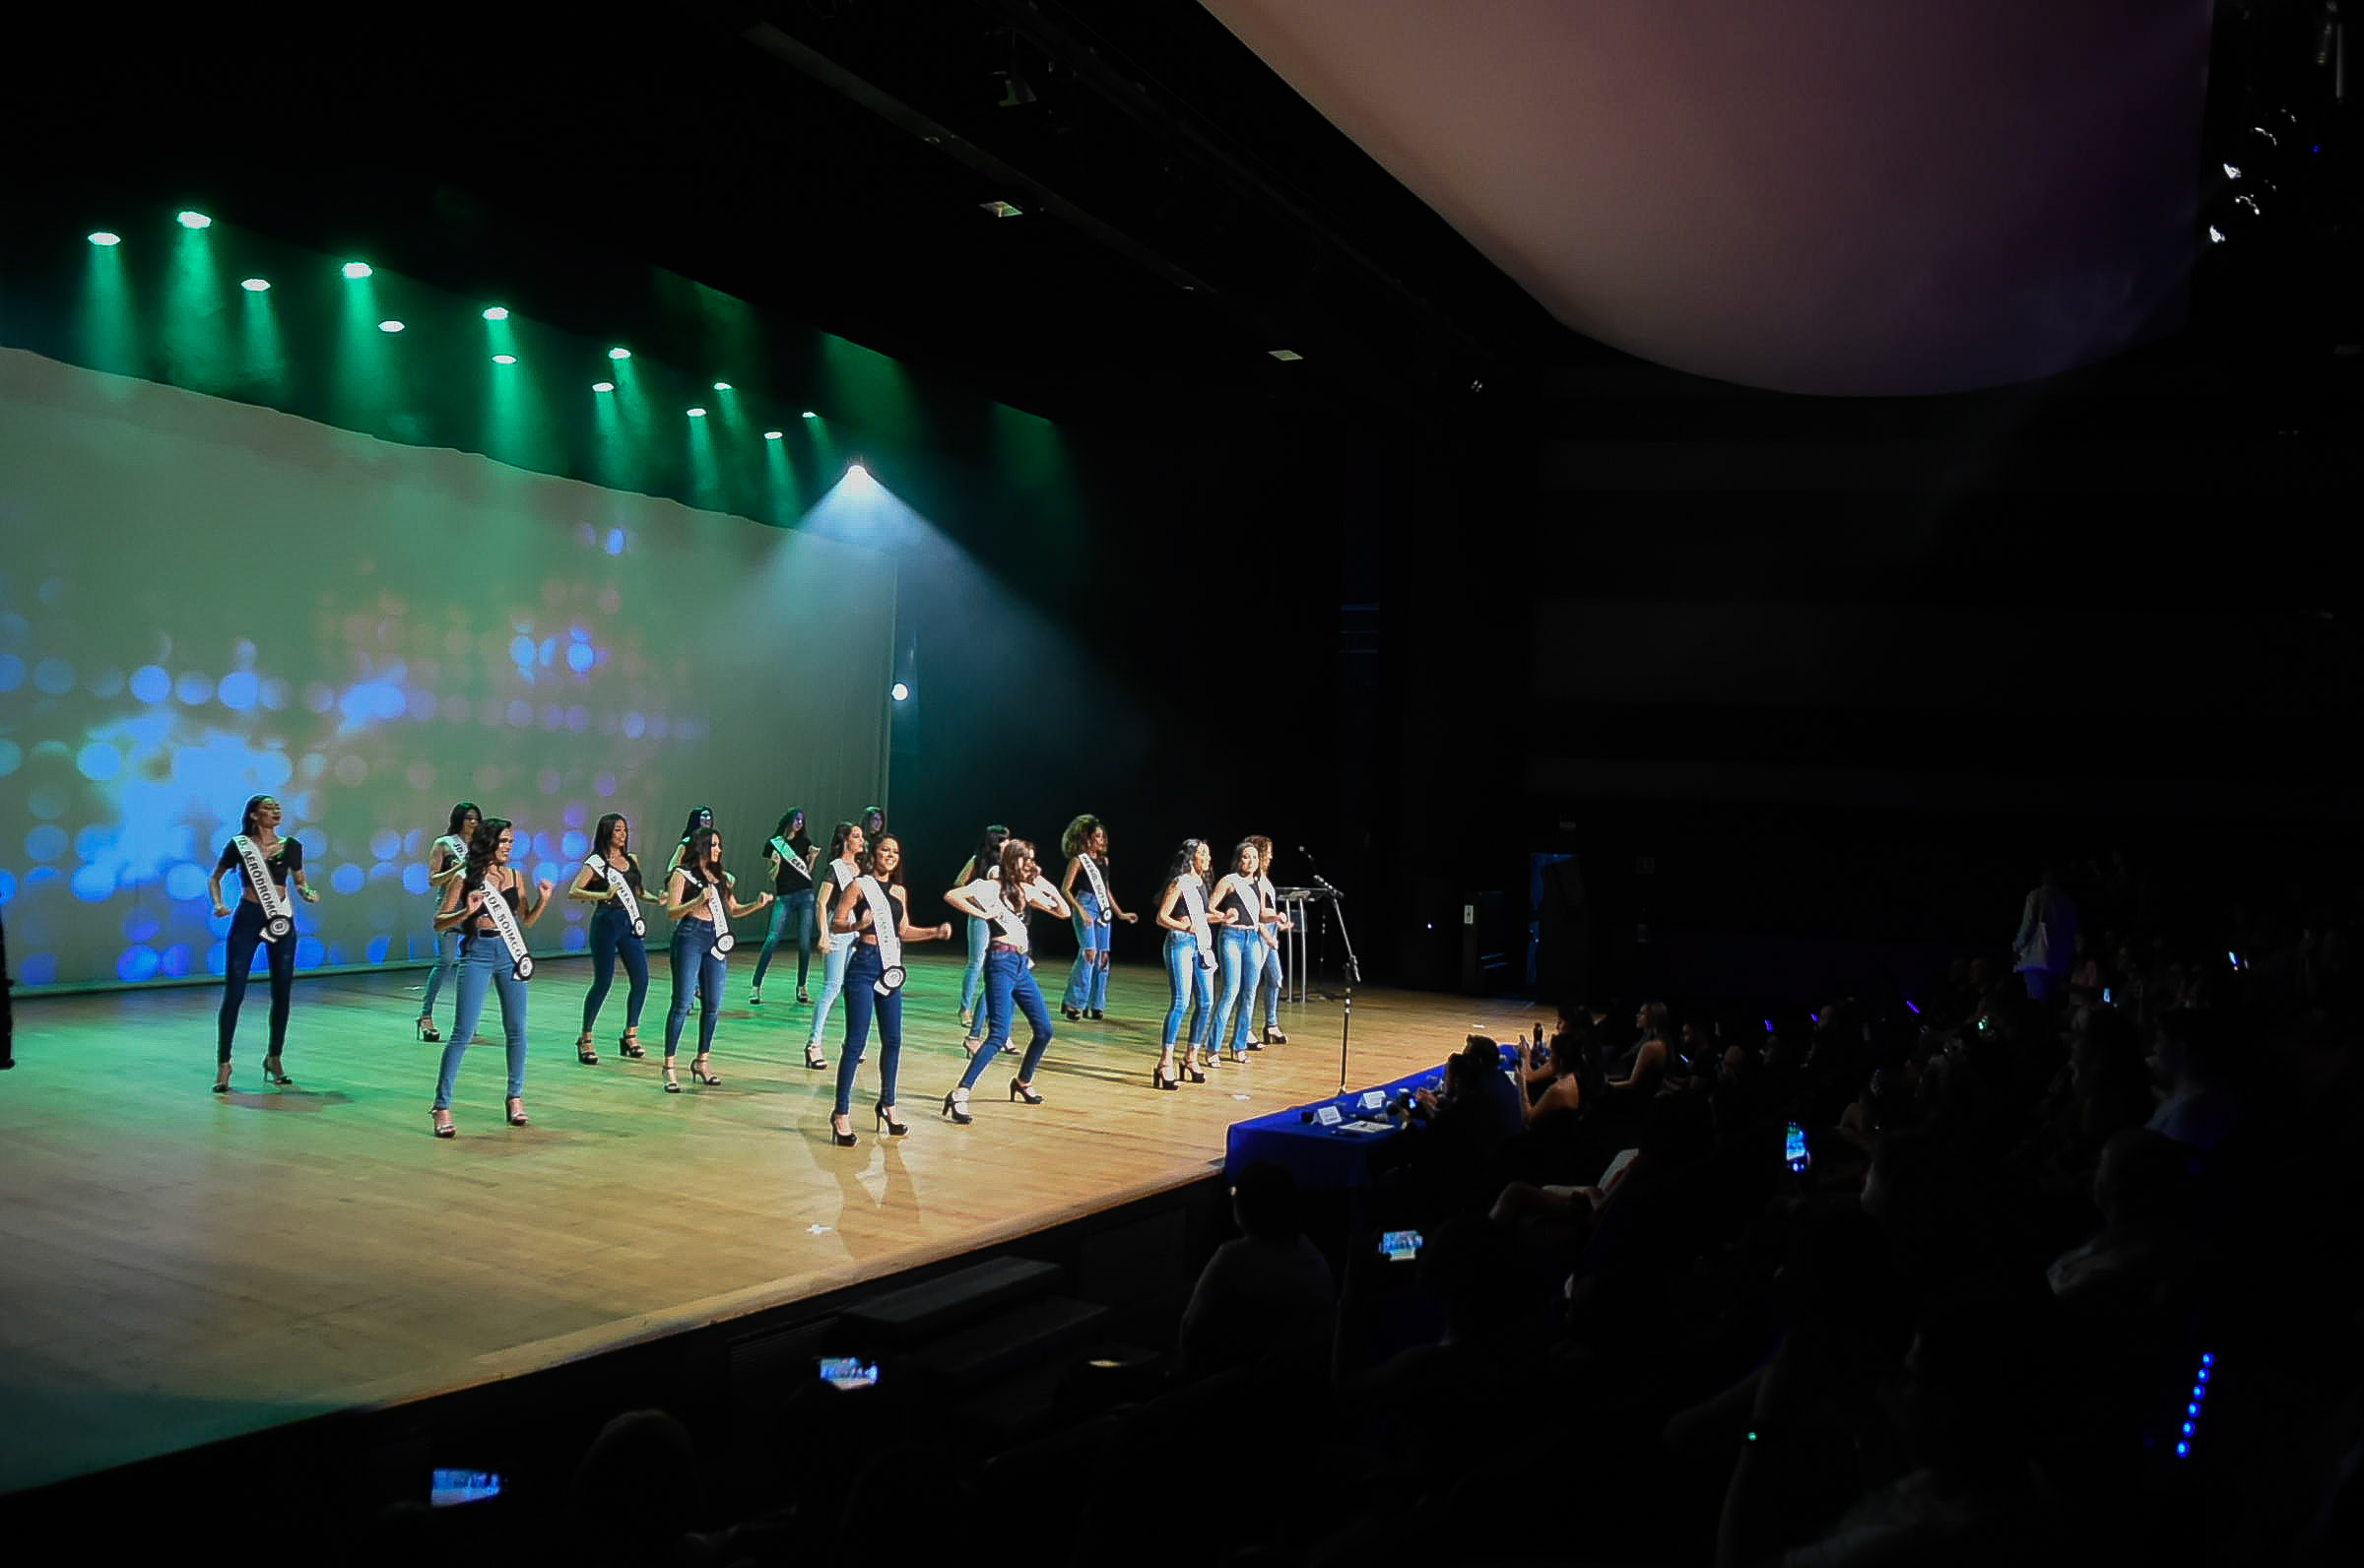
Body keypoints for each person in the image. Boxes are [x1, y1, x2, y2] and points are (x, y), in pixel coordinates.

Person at [428, 817, 554, 1136]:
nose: (509, 847)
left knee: (517, 1029)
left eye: (511, 842)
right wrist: (466, 912)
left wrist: (543, 900)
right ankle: (441, 1106)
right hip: (478, 953)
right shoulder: (465, 876)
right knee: (463, 1032)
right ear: (489, 842)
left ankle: (515, 1097)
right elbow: (439, 922)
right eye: (503, 841)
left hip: (509, 954)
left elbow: (526, 920)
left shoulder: (515, 876)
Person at [826, 832, 952, 1144]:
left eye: (895, 852)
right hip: (864, 964)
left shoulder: (899, 891)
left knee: (893, 1040)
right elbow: (835, 924)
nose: (891, 855)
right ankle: (840, 1113)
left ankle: (888, 1104)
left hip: (890, 966)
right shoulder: (859, 885)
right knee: (855, 1043)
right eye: (885, 850)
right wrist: (857, 926)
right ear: (874, 854)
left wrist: (934, 932)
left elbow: (903, 931)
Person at [941, 837, 1071, 1124]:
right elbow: (952, 895)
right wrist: (981, 913)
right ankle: (960, 1093)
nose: (1032, 864)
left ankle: (1023, 1081)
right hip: (1000, 961)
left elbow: (1064, 912)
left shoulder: (1027, 889)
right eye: (1027, 858)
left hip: (1021, 965)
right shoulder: (989, 886)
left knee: (1045, 1030)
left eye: (1033, 859)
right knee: (999, 1034)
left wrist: (1047, 885)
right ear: (1013, 860)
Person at [1177, 1160, 1336, 1380]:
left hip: (1245, 1382)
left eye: (1235, 1193)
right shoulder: (1309, 1252)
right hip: (1305, 1378)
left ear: (1244, 1206)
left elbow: (1190, 1331)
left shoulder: (1234, 1258)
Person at [207, 793, 320, 1092]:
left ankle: (274, 1058)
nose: (275, 811)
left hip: (280, 918)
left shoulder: (291, 846)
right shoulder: (239, 845)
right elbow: (215, 878)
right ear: (254, 815)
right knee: (235, 991)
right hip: (248, 917)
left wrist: (307, 892)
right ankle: (224, 1064)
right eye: (268, 808)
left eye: (277, 807)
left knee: (282, 991)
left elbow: (299, 881)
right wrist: (218, 904)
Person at [659, 825, 771, 1093]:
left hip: (715, 939)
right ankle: (669, 1065)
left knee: (713, 1005)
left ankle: (702, 1061)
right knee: (682, 1003)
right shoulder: (681, 874)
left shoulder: (721, 877)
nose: (719, 850)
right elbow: (672, 912)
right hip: (690, 935)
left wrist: (756, 904)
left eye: (720, 845)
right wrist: (697, 900)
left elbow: (734, 910)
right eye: (714, 845)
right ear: (701, 846)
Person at [567, 812, 651, 1064]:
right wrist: (602, 895)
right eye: (617, 830)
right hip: (606, 922)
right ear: (606, 833)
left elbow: (639, 892)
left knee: (641, 979)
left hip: (629, 924)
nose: (622, 834)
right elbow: (574, 891)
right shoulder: (596, 862)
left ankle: (630, 1034)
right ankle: (586, 1037)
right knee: (603, 981)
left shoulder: (632, 859)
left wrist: (659, 899)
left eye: (624, 829)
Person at [1153, 839, 1222, 1087]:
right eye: (1203, 853)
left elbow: (1201, 916)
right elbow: (1162, 917)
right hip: (1180, 942)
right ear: (1192, 857)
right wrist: (1184, 927)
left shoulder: (1201, 883)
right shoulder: (1180, 882)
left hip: (1200, 945)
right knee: (1181, 1002)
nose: (1208, 858)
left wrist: (1222, 917)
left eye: (1209, 854)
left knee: (1206, 1003)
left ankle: (1191, 1057)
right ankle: (1165, 1063)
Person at [1058, 815, 1137, 1021]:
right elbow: (1065, 889)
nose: (1101, 840)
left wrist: (1120, 913)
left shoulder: (1104, 861)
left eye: (1102, 836)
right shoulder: (1078, 860)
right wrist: (1080, 910)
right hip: (1085, 905)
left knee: (1102, 957)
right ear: (1087, 838)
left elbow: (1106, 890)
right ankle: (1073, 1002)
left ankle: (1095, 1004)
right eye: (1097, 836)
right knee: (1089, 953)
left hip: (1103, 909)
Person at [803, 820, 867, 1072]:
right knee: (831, 987)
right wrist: (823, 934)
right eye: (857, 836)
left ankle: (852, 1043)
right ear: (845, 840)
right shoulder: (836, 867)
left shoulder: (861, 868)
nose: (862, 841)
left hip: (857, 930)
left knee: (854, 988)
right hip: (838, 929)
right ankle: (814, 1044)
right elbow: (821, 902)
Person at [417, 801, 478, 1042]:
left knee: (473, 964)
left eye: (476, 818)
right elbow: (433, 880)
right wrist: (460, 867)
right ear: (459, 819)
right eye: (469, 818)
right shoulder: (444, 844)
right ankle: (426, 1015)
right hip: (450, 906)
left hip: (475, 906)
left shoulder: (482, 846)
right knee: (446, 960)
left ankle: (467, 1019)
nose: (473, 822)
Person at [1207, 840, 1271, 1064]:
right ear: (1238, 859)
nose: (1250, 861)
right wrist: (1224, 916)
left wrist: (1277, 918)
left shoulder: (1259, 883)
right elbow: (1208, 908)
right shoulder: (1229, 880)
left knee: (1249, 993)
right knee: (1231, 991)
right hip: (1231, 937)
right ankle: (1213, 1048)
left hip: (1252, 939)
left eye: (1254, 857)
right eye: (1246, 857)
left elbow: (1261, 915)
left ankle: (1239, 1045)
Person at [949, 824, 1011, 1049]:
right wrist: (977, 902)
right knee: (976, 962)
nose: (1008, 842)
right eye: (1004, 839)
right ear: (995, 841)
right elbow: (959, 882)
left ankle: (990, 1010)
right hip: (981, 917)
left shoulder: (1008, 862)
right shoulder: (978, 860)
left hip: (1003, 917)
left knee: (999, 963)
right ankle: (965, 1008)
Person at [750, 808, 817, 1006]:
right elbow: (772, 876)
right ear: (788, 820)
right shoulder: (774, 844)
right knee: (772, 939)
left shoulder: (805, 843)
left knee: (804, 943)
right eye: (796, 819)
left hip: (805, 895)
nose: (799, 823)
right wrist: (777, 864)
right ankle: (755, 986)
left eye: (802, 820)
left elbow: (807, 872)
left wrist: (812, 859)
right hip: (784, 896)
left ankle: (802, 986)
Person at [1246, 835, 1295, 1045]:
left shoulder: (1265, 878)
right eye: (1268, 852)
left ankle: (1271, 1025)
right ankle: (1245, 1029)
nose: (1271, 856)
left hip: (1271, 933)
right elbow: (1255, 913)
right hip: (1260, 935)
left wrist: (1279, 923)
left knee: (1275, 979)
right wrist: (1272, 924)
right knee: (1251, 984)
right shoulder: (1253, 880)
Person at [2011, 866, 2078, 1005]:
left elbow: (2028, 925)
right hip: (2059, 961)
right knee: (2054, 1004)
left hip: (2037, 959)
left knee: (2037, 1004)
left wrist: (2017, 947)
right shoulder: (2066, 901)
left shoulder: (2036, 896)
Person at [663, 806, 715, 879]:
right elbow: (671, 867)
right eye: (704, 816)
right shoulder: (687, 842)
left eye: (709, 817)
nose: (707, 820)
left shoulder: (712, 843)